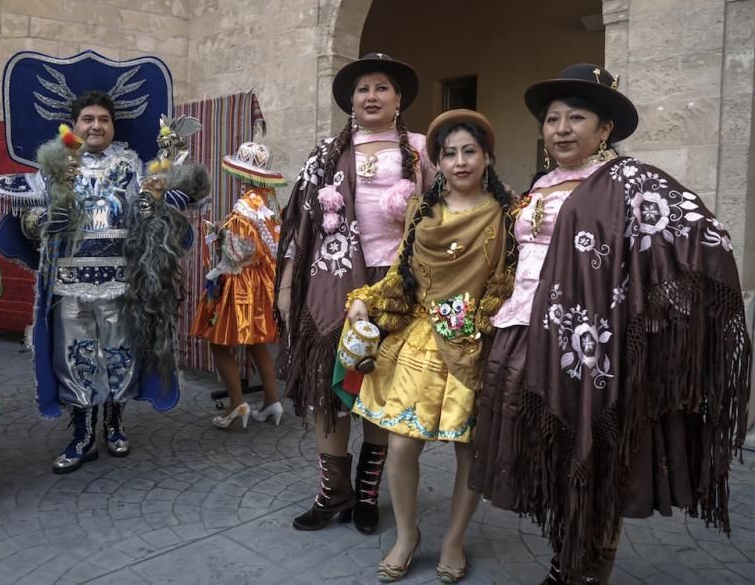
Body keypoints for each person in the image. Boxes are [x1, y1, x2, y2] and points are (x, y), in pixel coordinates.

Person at [469, 64, 752, 584]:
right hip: (522, 336)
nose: (561, 128)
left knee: (593, 458)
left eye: (577, 117)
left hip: (588, 345)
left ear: (605, 130)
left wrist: (653, 308)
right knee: (552, 456)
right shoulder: (541, 183)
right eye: (552, 118)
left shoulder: (627, 180)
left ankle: (588, 571)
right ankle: (565, 559)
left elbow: (702, 231)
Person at [346, 110, 515, 582]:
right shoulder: (421, 210)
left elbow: (511, 283)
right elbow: (402, 278)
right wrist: (364, 302)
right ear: (436, 160)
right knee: (401, 448)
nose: (460, 162)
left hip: (475, 344)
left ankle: (454, 539)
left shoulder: (507, 215)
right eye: (449, 153)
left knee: (470, 452)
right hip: (418, 341)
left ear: (486, 157)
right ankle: (406, 534)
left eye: (470, 152)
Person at [275, 52, 435, 534]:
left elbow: (446, 216)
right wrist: (286, 284)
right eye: (362, 89)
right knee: (330, 388)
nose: (371, 96)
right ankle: (334, 494)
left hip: (397, 284)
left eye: (381, 87)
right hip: (333, 277)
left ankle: (367, 491)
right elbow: (299, 227)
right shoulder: (325, 153)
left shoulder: (421, 150)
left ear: (398, 98)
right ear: (350, 100)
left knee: (378, 386)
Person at [20, 91, 142, 473]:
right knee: (77, 358)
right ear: (75, 125)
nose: (95, 125)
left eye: (103, 119)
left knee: (120, 354)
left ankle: (115, 424)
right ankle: (83, 435)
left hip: (120, 282)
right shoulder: (54, 164)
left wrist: (159, 205)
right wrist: (43, 223)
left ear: (112, 127)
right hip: (70, 282)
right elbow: (28, 216)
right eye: (88, 118)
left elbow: (144, 215)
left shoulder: (129, 165)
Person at [190, 141, 286, 428]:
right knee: (257, 342)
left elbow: (239, 252)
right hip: (264, 282)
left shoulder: (244, 206)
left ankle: (237, 403)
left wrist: (217, 232)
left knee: (218, 341)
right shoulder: (269, 204)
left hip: (241, 283)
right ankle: (272, 401)